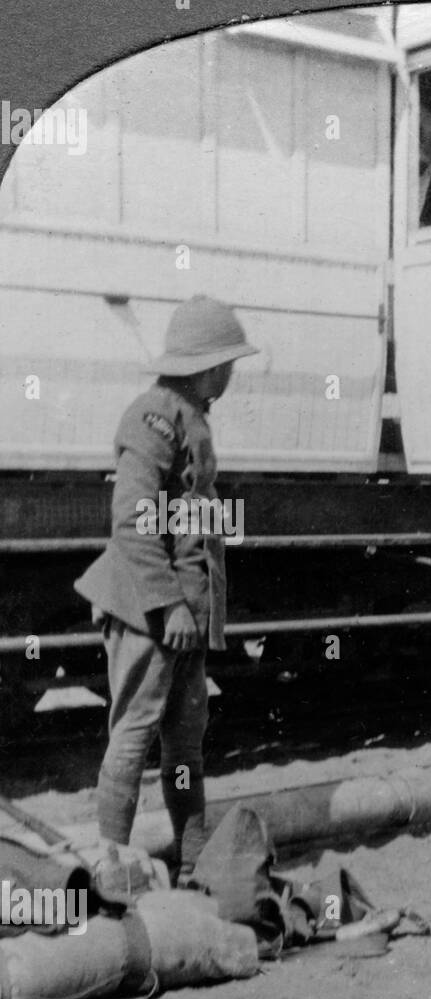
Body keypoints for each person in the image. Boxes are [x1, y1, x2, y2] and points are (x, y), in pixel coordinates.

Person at [74, 295, 258, 879]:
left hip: (186, 618)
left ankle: (193, 864)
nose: (232, 373)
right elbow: (132, 520)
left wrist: (201, 614)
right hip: (150, 614)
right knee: (134, 735)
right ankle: (111, 869)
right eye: (229, 363)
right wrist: (170, 606)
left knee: (185, 747)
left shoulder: (189, 414)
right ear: (207, 365)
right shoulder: (153, 416)